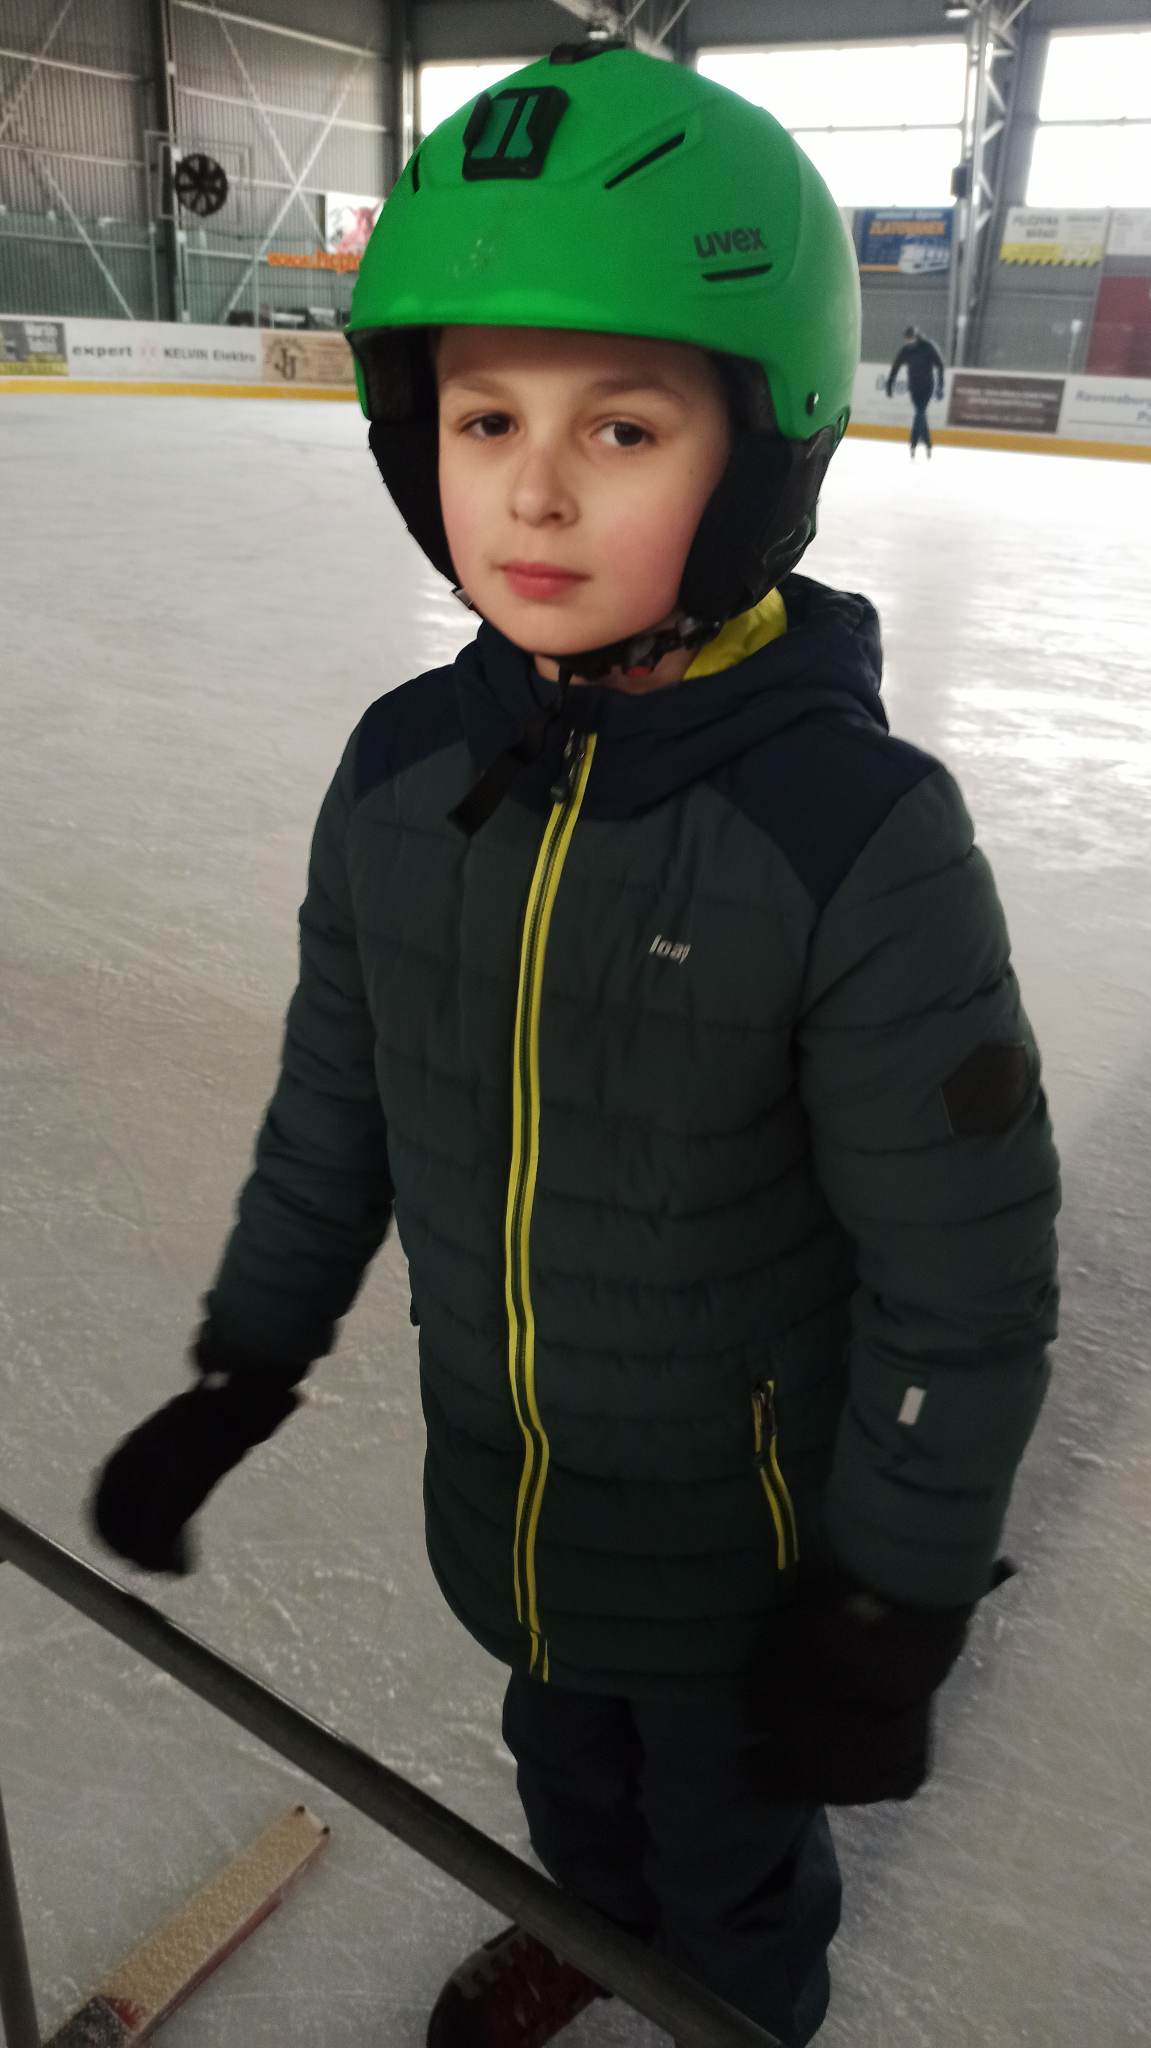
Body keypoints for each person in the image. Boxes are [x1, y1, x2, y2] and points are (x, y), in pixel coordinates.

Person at [89, 42, 1060, 2048]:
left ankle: (726, 2004)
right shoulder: (401, 776)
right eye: (481, 417)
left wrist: (891, 1595)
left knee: (729, 1857)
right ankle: (588, 1926)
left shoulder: (847, 839)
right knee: (568, 1778)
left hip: (741, 1549)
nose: (530, 491)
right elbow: (333, 1109)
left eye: (619, 425)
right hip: (513, 1496)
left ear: (761, 447)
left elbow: (959, 1284)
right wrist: (244, 1362)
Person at [887, 324, 947, 458]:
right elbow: (896, 366)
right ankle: (928, 444)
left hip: (927, 386)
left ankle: (913, 442)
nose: (908, 341)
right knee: (920, 414)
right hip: (914, 387)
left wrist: (940, 386)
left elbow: (940, 365)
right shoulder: (906, 350)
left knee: (920, 412)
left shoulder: (928, 347)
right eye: (907, 339)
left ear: (916, 337)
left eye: (910, 338)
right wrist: (889, 384)